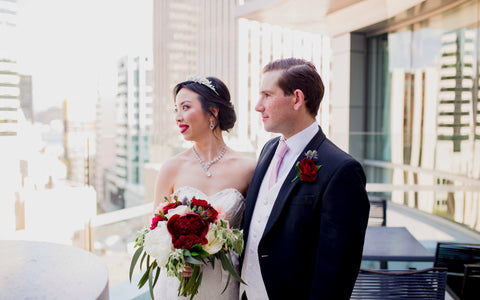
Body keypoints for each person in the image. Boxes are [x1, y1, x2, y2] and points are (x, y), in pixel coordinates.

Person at [240, 58, 370, 299]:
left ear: (297, 99)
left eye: (267, 95)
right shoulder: (268, 149)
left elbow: (337, 269)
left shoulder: (341, 169)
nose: (258, 106)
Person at [153, 75, 256, 299]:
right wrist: (176, 257)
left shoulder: (248, 169)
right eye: (176, 109)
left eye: (186, 107)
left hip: (224, 283)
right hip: (179, 284)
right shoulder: (171, 167)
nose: (178, 116)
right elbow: (154, 232)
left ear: (213, 111)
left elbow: (254, 235)